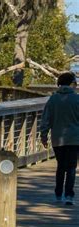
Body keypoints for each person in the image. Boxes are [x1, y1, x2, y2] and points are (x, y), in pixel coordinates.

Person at [40, 72, 79, 206]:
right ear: (72, 83)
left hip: (57, 139)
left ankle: (58, 193)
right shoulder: (77, 99)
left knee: (61, 166)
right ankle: (69, 195)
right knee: (72, 167)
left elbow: (46, 119)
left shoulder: (53, 99)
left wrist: (43, 135)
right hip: (74, 139)